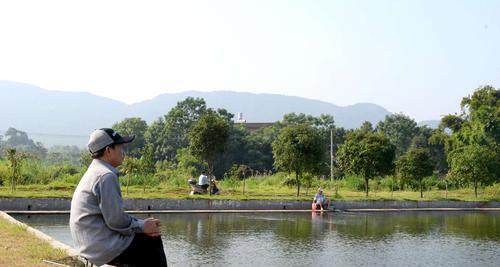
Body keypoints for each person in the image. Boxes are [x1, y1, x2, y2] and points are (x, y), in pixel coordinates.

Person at [70, 128, 167, 266]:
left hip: (89, 244)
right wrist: (142, 225)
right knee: (151, 241)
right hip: (101, 248)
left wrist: (141, 225)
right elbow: (116, 221)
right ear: (109, 150)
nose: (123, 152)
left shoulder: (94, 171)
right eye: (120, 147)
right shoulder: (106, 176)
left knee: (144, 239)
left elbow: (115, 219)